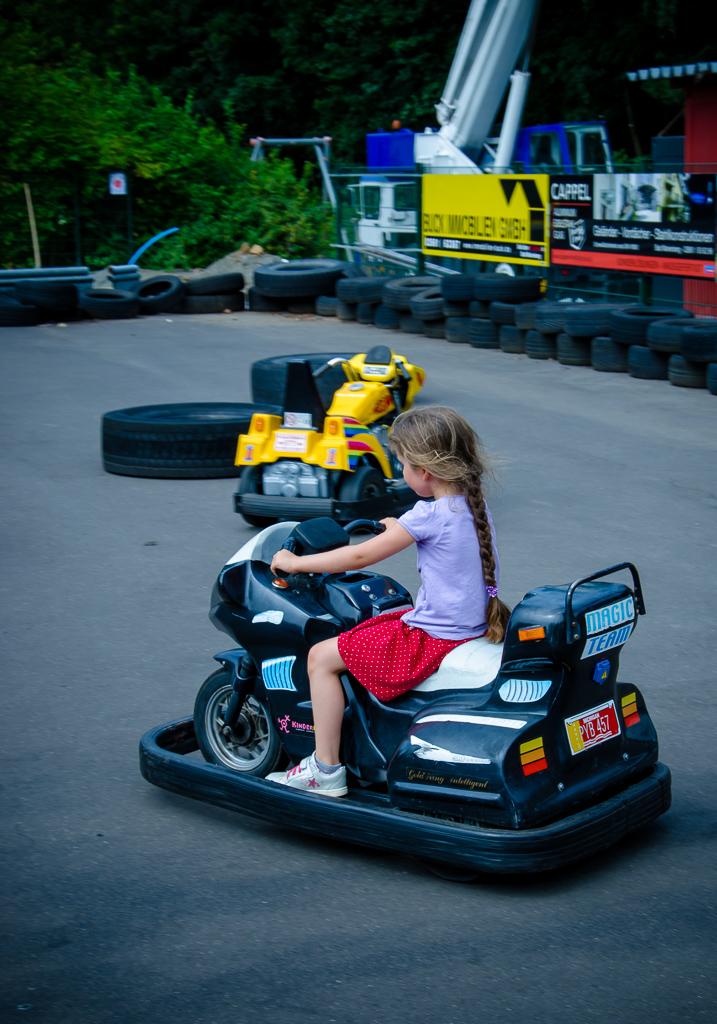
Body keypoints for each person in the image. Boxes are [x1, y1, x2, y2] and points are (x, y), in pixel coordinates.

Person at [267, 406, 510, 797]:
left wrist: (295, 563)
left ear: (424, 470)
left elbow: (359, 556)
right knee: (377, 624)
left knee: (321, 657)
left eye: (402, 465)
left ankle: (324, 769)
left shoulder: (427, 515)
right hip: (469, 628)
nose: (401, 472)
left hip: (433, 638)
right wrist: (401, 527)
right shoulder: (471, 504)